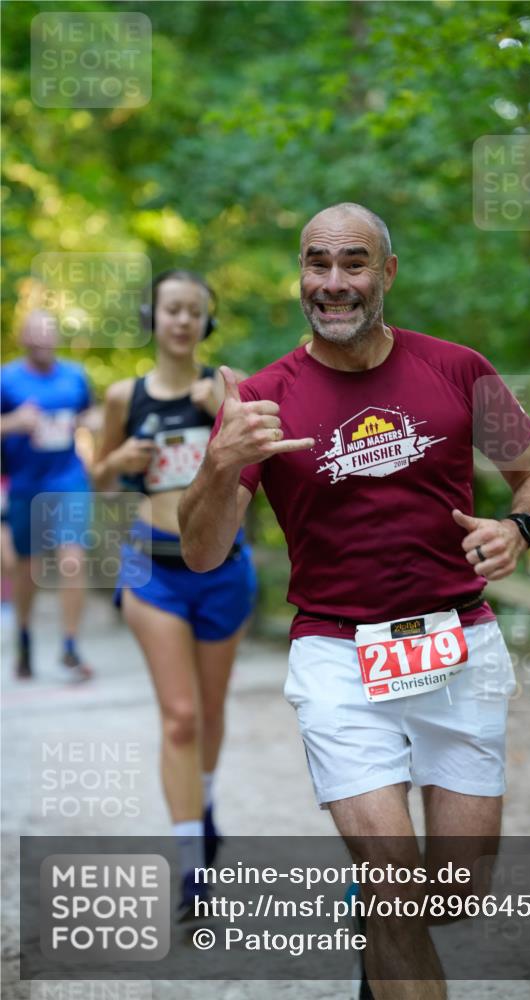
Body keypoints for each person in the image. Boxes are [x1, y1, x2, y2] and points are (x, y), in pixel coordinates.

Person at [178, 205, 530, 997]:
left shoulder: (457, 369)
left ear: (385, 274)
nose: (332, 283)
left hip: (457, 645)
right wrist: (221, 465)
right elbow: (201, 550)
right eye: (316, 264)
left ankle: (377, 929)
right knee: (395, 885)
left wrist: (518, 527)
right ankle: (384, 916)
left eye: (353, 264)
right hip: (337, 655)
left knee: (452, 895)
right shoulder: (259, 401)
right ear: (300, 275)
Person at [92, 269, 256, 921]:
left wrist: (230, 420)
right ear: (152, 318)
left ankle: (204, 800)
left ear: (207, 323)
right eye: (172, 310)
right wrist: (116, 462)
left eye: (195, 312)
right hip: (149, 569)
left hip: (222, 568)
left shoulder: (228, 387)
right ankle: (191, 869)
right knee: (181, 716)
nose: (183, 321)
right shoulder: (121, 396)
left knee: (212, 713)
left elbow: (265, 471)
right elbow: (96, 482)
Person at [0, 310, 95, 681]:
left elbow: (94, 415)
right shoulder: (6, 378)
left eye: (48, 332)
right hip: (25, 484)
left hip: (69, 479)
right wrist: (14, 423)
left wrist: (88, 424)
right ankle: (24, 638)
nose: (42, 339)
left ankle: (70, 646)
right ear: (23, 338)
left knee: (73, 558)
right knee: (27, 568)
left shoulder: (75, 376)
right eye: (34, 333)